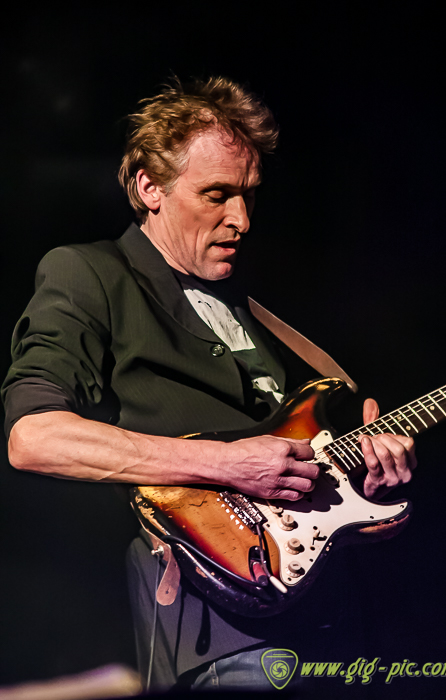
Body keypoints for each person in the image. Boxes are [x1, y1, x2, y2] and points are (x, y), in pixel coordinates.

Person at [2, 77, 416, 690]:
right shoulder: (91, 273)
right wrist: (227, 465)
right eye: (216, 194)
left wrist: (369, 467)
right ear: (150, 187)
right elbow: (34, 438)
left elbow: (301, 458)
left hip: (339, 625)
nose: (241, 219)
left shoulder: (260, 303)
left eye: (248, 195)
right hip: (219, 633)